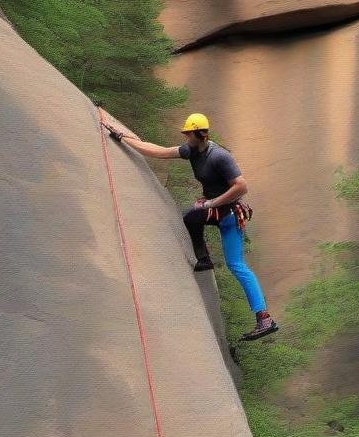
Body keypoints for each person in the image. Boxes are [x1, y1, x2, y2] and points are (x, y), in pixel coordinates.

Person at [107, 112, 279, 342]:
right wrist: (124, 138)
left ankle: (264, 318)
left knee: (237, 265)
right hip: (218, 211)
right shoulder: (192, 151)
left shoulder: (219, 156)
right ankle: (204, 258)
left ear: (199, 134)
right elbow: (160, 151)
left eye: (189, 134)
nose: (186, 137)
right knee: (191, 218)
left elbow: (241, 186)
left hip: (227, 214)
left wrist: (211, 202)